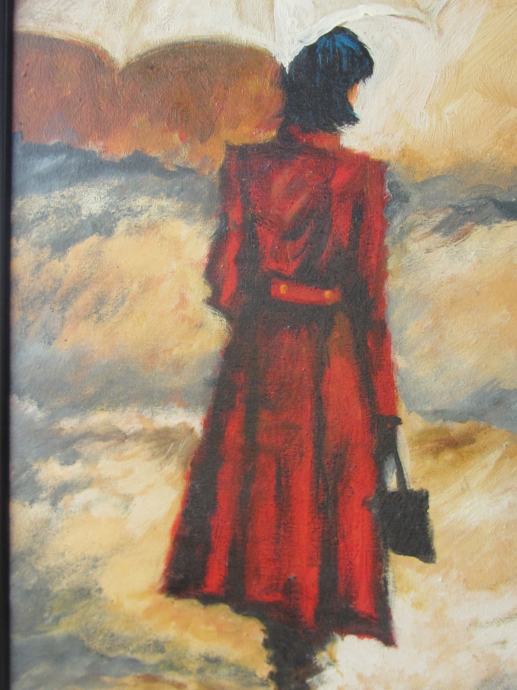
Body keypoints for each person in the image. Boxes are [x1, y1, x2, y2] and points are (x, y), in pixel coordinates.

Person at [160, 26, 401, 690]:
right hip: (334, 362)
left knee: (266, 500)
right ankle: (307, 653)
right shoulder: (362, 178)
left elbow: (224, 283)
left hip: (261, 358)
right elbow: (370, 303)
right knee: (324, 500)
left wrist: (270, 306)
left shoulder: (245, 167)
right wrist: (384, 404)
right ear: (342, 93)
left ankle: (283, 649)